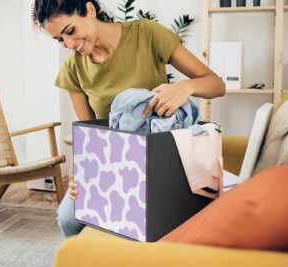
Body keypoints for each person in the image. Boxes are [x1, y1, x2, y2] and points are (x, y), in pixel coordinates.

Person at [33, 0, 225, 237]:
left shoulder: (147, 34)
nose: (70, 44)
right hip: (115, 164)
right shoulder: (73, 69)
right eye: (60, 40)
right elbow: (89, 137)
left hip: (163, 158)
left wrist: (186, 87)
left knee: (151, 221)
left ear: (90, 10)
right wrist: (79, 175)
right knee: (68, 218)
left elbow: (217, 85)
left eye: (70, 31)